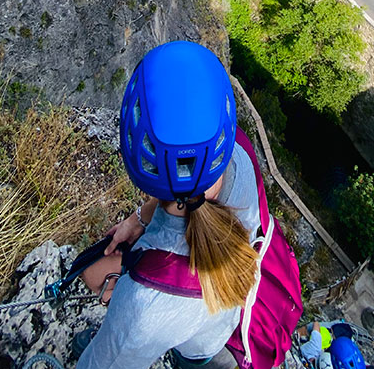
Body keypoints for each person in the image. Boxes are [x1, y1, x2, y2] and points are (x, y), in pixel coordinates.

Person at [76, 41, 261, 369]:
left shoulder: (143, 307)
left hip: (189, 342)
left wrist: (122, 320)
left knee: (92, 274)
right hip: (216, 325)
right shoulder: (240, 162)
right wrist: (140, 217)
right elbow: (191, 188)